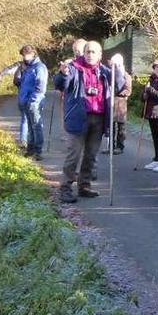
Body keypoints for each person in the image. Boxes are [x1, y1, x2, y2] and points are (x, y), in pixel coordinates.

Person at [53, 41, 113, 203]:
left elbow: (119, 85)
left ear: (100, 55)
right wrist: (63, 73)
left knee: (91, 155)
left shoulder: (105, 71)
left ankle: (84, 185)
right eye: (88, 52)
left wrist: (119, 69)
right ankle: (65, 189)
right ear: (83, 53)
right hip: (78, 118)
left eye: (94, 52)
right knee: (74, 155)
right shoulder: (73, 67)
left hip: (99, 118)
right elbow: (60, 84)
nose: (90, 55)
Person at [17, 45, 48, 161]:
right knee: (30, 126)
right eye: (24, 55)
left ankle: (38, 151)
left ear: (33, 54)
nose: (25, 57)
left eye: (27, 54)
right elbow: (24, 85)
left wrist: (33, 101)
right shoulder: (28, 67)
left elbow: (40, 86)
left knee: (36, 126)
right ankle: (30, 149)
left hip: (34, 102)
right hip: (25, 101)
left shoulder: (39, 67)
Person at [0, 58, 28, 149]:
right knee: (27, 118)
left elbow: (9, 70)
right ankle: (24, 140)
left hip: (26, 94)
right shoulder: (36, 66)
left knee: (26, 118)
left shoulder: (22, 65)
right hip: (27, 94)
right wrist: (0, 74)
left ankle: (25, 140)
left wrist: (0, 74)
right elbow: (9, 70)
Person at [103, 54, 131, 155]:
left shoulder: (126, 75)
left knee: (121, 128)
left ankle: (120, 146)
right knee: (111, 127)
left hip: (120, 105)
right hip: (110, 104)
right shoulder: (110, 74)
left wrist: (118, 92)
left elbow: (128, 90)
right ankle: (110, 146)